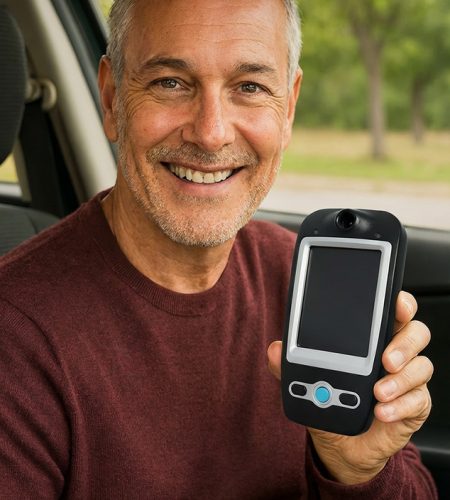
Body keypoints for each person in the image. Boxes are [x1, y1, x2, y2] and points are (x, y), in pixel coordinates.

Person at [0, 0, 437, 498]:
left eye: (249, 87)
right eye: (170, 82)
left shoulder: (304, 277)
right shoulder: (15, 338)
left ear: (288, 108)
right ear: (111, 99)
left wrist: (357, 473)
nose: (211, 133)